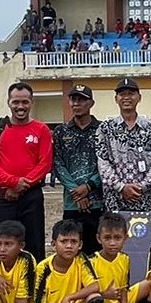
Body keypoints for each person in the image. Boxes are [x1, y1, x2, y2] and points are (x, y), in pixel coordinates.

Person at [0, 82, 54, 259]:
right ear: (8, 102)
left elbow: (45, 163)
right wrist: (13, 182)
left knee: (33, 245)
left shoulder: (42, 129)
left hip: (31, 197)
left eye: (25, 102)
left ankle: (33, 276)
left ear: (31, 103)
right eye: (16, 102)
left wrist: (21, 186)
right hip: (3, 197)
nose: (20, 106)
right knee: (2, 246)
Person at [96, 78, 151, 213]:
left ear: (139, 98)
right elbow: (102, 162)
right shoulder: (105, 128)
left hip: (142, 197)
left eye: (131, 94)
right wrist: (121, 187)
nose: (126, 98)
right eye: (122, 94)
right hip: (114, 199)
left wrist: (142, 187)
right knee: (113, 227)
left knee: (143, 227)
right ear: (116, 99)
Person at [53, 84, 104, 250]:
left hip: (97, 202)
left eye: (81, 100)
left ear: (91, 103)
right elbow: (58, 164)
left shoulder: (103, 130)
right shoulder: (61, 131)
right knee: (71, 249)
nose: (76, 103)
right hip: (72, 203)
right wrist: (76, 192)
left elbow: (106, 163)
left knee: (96, 250)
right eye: (73, 99)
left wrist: (89, 186)